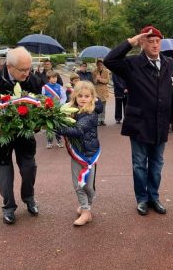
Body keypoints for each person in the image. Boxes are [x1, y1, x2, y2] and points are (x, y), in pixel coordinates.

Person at [104, 25, 173, 216]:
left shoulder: (170, 64)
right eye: (150, 41)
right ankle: (142, 199)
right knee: (139, 163)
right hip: (139, 123)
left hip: (161, 122)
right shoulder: (132, 64)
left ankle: (154, 197)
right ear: (143, 43)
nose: (155, 45)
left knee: (157, 163)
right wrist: (130, 41)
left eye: (157, 41)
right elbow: (109, 60)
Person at [0, 46, 42, 225]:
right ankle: (9, 207)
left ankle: (29, 198)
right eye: (23, 70)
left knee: (29, 170)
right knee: (4, 176)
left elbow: (40, 108)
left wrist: (35, 124)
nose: (27, 73)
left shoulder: (33, 81)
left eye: (29, 69)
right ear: (9, 66)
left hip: (25, 137)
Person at [57, 81, 103, 226]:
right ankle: (85, 210)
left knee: (88, 186)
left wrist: (57, 127)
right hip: (77, 152)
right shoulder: (71, 110)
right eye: (80, 96)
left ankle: (86, 207)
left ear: (92, 98)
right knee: (78, 184)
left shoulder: (91, 113)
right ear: (75, 97)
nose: (83, 99)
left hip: (89, 155)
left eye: (87, 96)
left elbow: (78, 130)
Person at [42, 70, 67, 148]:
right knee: (49, 126)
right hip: (48, 109)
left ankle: (59, 141)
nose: (54, 79)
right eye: (53, 77)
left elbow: (64, 97)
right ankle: (49, 142)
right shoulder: (44, 87)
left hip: (57, 109)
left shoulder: (59, 87)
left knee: (57, 125)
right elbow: (42, 98)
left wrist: (60, 104)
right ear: (48, 78)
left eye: (55, 77)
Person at [92, 59, 110, 126]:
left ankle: (103, 120)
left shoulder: (106, 71)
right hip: (97, 90)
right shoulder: (94, 71)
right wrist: (96, 79)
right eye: (98, 65)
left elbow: (107, 81)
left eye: (101, 64)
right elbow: (94, 82)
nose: (100, 66)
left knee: (104, 106)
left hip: (104, 91)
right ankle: (98, 120)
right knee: (98, 106)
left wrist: (100, 79)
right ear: (96, 65)